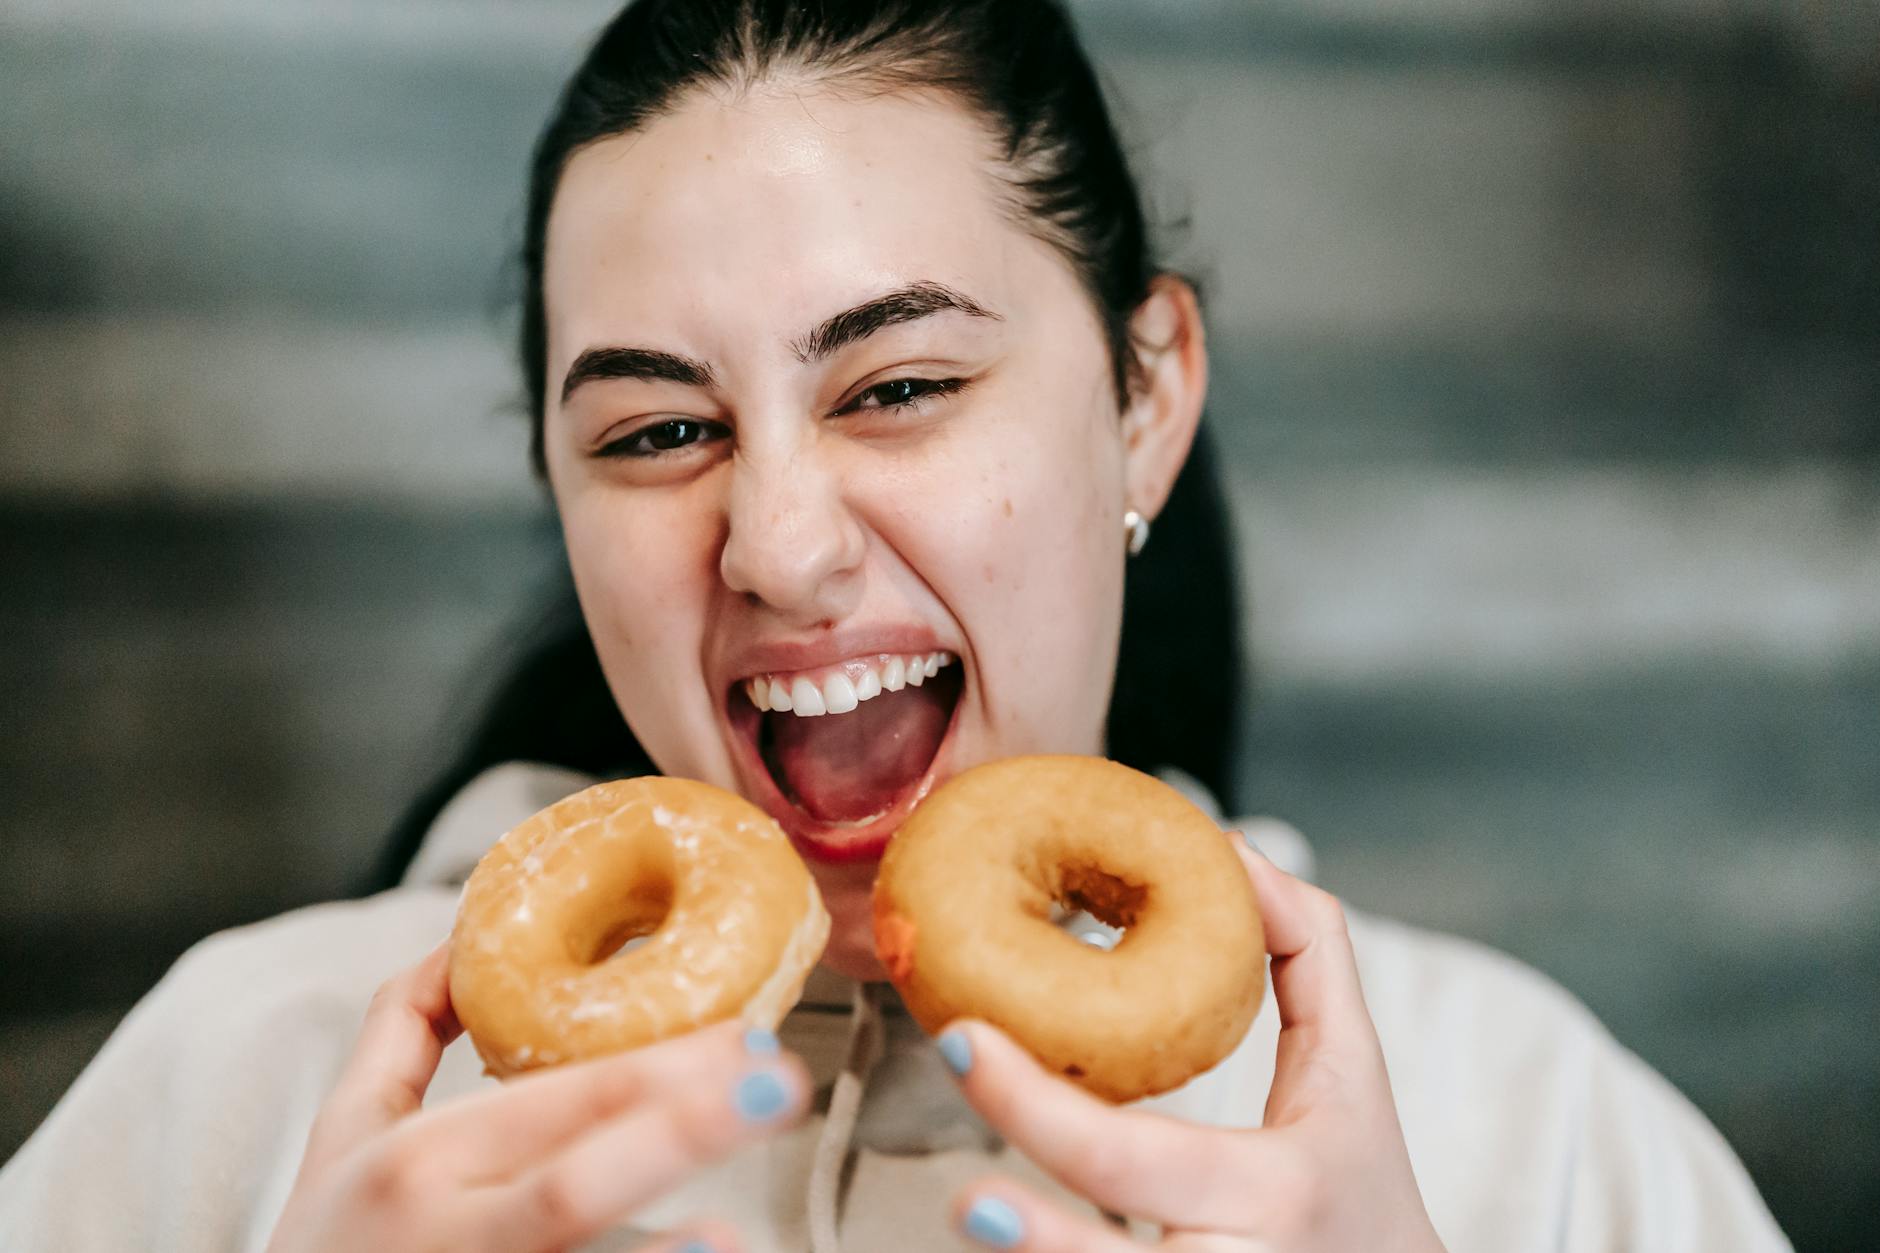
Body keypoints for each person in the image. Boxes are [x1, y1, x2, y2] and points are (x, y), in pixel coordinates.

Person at [0, 2, 1789, 1250]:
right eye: (655, 432)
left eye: (901, 384)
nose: (778, 544)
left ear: (1145, 394)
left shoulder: (1530, 1132)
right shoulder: (244, 1086)